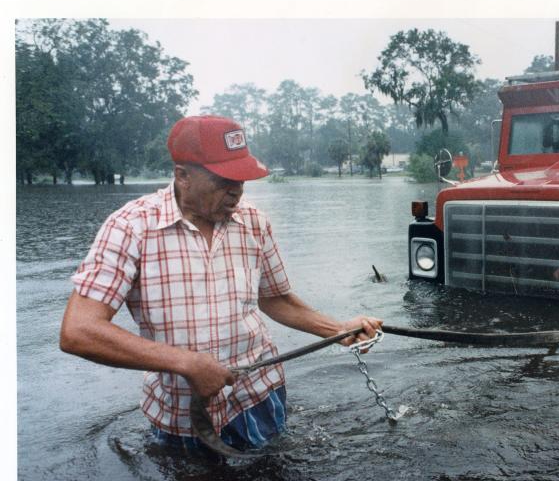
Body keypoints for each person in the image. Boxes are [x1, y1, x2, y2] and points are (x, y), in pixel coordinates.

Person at [59, 115, 382, 452]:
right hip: (182, 416)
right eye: (225, 180)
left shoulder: (253, 222)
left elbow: (276, 299)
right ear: (182, 176)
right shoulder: (131, 227)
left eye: (242, 180)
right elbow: (79, 331)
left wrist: (338, 329)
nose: (237, 192)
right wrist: (185, 363)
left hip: (260, 397)